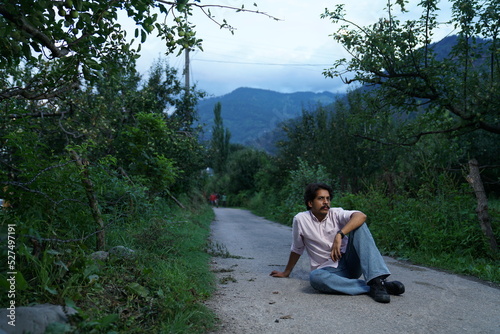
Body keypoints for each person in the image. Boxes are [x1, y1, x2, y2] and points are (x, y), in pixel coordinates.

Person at [270, 182, 405, 303]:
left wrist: (339, 235)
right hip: (329, 271)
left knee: (359, 225)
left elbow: (361, 216)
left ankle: (376, 278)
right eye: (321, 198)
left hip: (350, 262)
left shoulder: (336, 213)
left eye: (328, 199)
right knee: (315, 278)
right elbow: (297, 248)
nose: (326, 202)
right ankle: (376, 286)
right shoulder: (300, 220)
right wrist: (286, 272)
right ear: (310, 203)